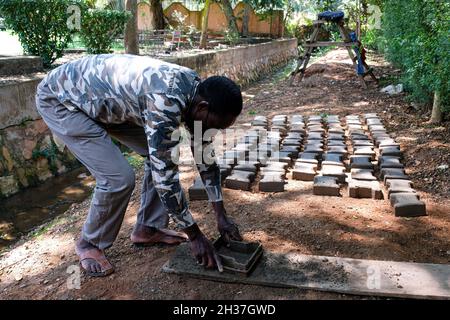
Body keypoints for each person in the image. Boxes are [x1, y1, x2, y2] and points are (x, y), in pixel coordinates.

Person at [35, 54, 243, 277]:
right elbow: (166, 180)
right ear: (202, 108)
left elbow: (205, 158)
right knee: (119, 178)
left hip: (108, 102)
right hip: (63, 101)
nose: (215, 132)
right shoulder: (166, 102)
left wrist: (221, 215)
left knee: (162, 158)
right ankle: (89, 243)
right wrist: (195, 236)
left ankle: (147, 228)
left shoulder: (197, 91)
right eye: (216, 126)